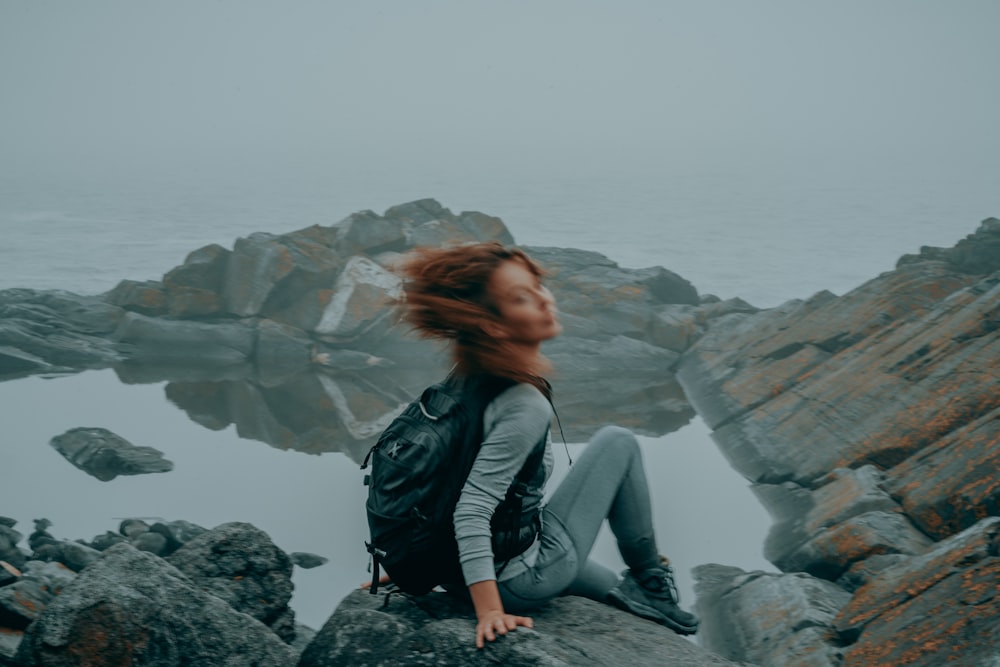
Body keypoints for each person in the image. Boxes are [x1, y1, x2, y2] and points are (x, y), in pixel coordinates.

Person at [389, 241, 699, 648]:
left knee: (608, 586)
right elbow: (471, 510)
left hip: (457, 572)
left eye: (538, 285)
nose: (544, 300)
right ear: (494, 325)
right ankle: (651, 583)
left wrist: (410, 566)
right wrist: (490, 612)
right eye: (522, 297)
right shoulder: (522, 404)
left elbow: (433, 482)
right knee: (617, 441)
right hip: (515, 580)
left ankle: (635, 594)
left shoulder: (460, 381)